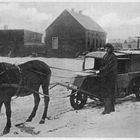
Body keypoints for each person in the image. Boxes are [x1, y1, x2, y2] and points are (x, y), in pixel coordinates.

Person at [96, 43, 118, 115]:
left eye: (108, 48)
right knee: (106, 94)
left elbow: (109, 67)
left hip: (110, 78)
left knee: (108, 94)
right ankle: (111, 109)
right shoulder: (106, 55)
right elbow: (103, 64)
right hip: (105, 77)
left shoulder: (113, 57)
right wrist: (99, 69)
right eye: (106, 48)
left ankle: (107, 110)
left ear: (111, 49)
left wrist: (101, 70)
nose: (106, 49)